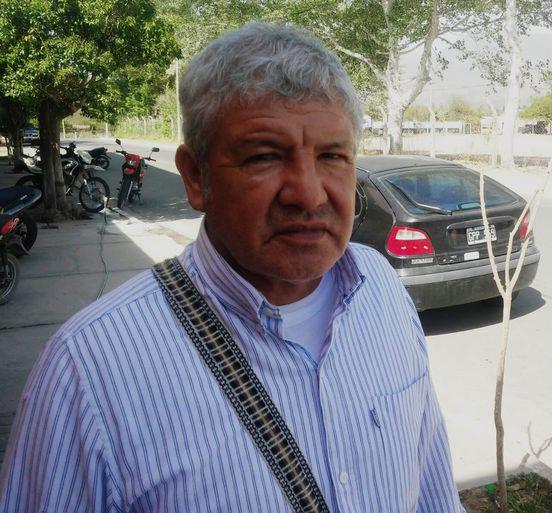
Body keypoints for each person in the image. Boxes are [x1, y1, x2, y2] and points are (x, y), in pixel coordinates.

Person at [0, 22, 465, 513]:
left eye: (332, 156)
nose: (309, 194)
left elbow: (432, 492)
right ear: (195, 177)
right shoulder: (88, 372)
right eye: (264, 157)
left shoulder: (381, 289)